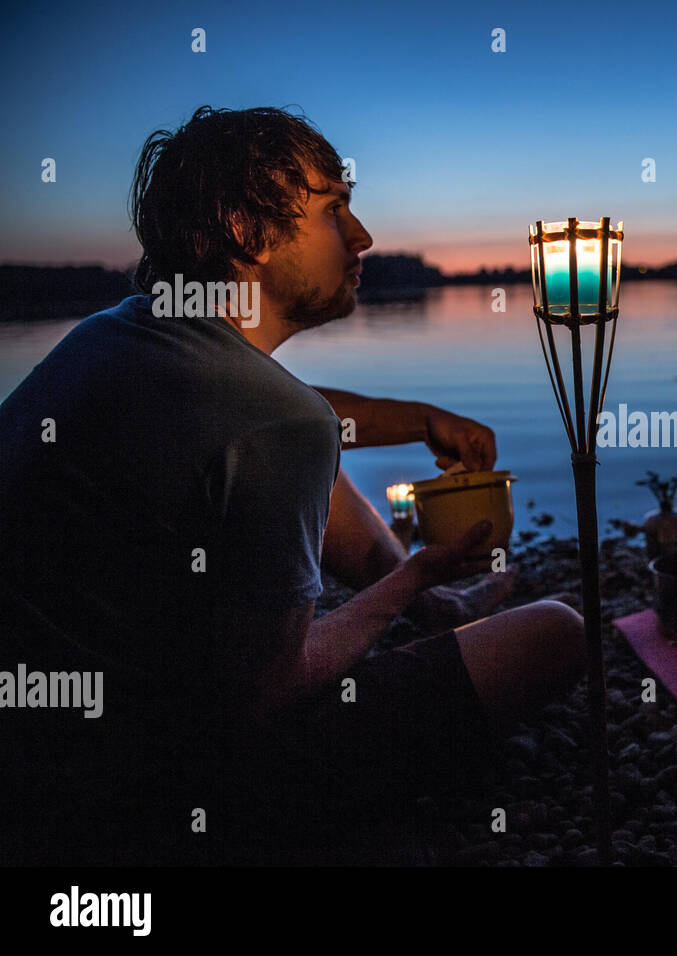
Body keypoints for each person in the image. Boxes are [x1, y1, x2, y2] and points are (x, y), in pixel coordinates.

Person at [0, 106, 584, 865]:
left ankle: (443, 611)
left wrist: (415, 418)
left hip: (34, 758)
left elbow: (259, 417)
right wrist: (408, 579)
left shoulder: (114, 334)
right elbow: (267, 695)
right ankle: (425, 611)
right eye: (334, 209)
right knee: (558, 632)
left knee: (299, 440)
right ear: (249, 231)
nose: (364, 235)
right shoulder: (276, 423)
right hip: (148, 802)